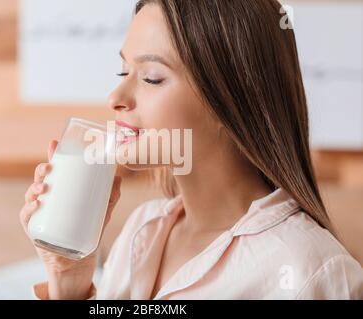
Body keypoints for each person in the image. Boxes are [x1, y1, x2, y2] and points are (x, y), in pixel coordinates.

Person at [19, 0, 363, 299]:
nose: (115, 98)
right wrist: (68, 279)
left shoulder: (311, 270)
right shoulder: (141, 230)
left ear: (232, 101)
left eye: (152, 77)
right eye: (123, 71)